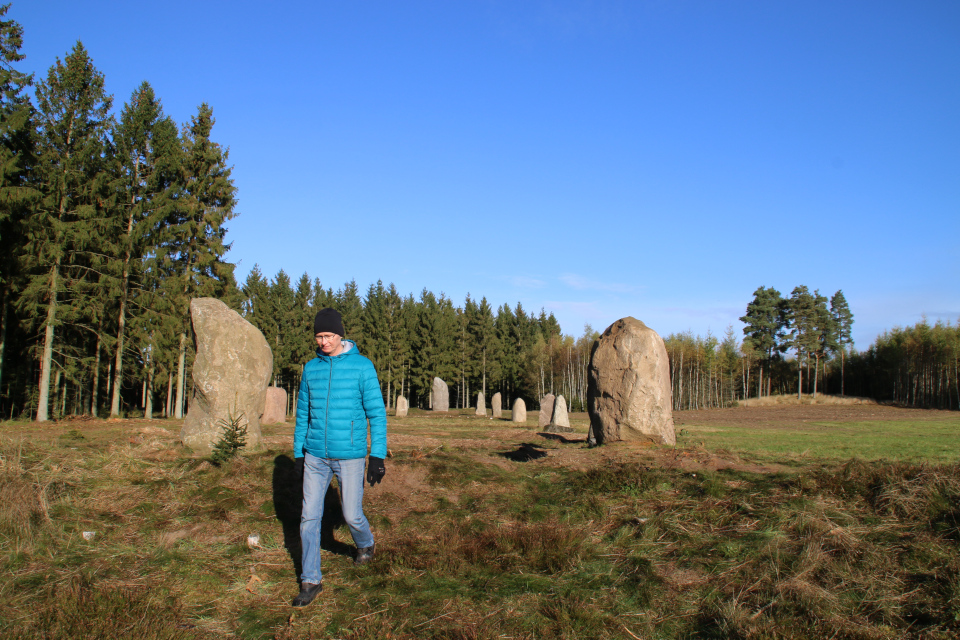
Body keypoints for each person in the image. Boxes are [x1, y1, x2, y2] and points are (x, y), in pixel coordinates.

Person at [291, 307, 387, 607]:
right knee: (308, 518)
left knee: (351, 514)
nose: (323, 342)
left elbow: (377, 414)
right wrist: (298, 453)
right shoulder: (311, 369)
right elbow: (303, 414)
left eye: (328, 335)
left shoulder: (362, 367)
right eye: (319, 336)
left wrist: (377, 456)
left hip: (350, 455)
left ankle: (366, 544)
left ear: (340, 334)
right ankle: (310, 579)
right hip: (315, 456)